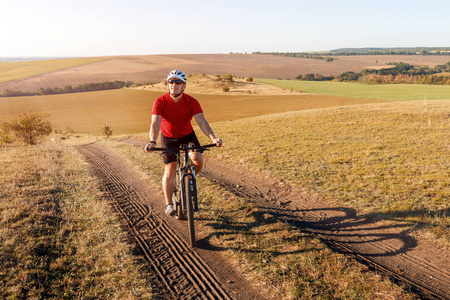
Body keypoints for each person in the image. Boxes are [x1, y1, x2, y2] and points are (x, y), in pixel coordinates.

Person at [145, 70, 222, 216]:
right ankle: (169, 204)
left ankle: (190, 181)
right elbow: (155, 123)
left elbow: (202, 121)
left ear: (184, 86)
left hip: (187, 136)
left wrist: (213, 138)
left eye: (178, 82)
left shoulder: (192, 102)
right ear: (168, 85)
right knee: (170, 169)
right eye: (171, 82)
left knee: (197, 159)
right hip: (168, 137)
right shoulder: (160, 101)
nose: (174, 85)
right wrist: (152, 141)